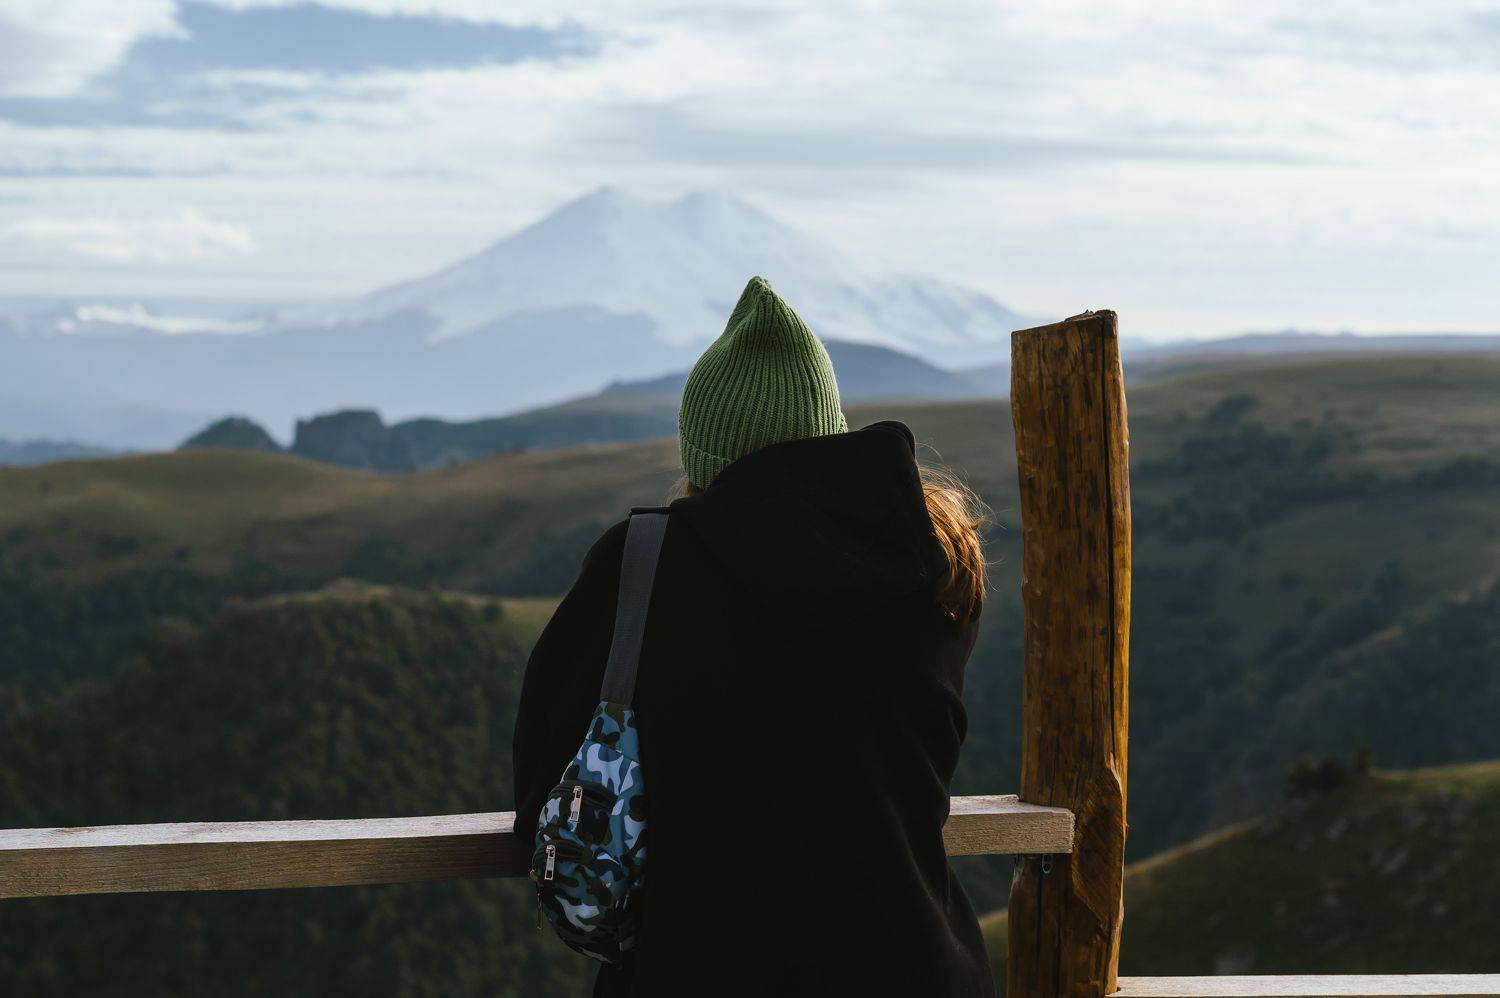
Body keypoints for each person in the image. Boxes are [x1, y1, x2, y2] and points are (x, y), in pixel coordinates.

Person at [512, 276, 993, 995]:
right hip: (917, 969)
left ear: (703, 451)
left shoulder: (641, 566)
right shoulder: (933, 566)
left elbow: (545, 789)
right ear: (826, 428)